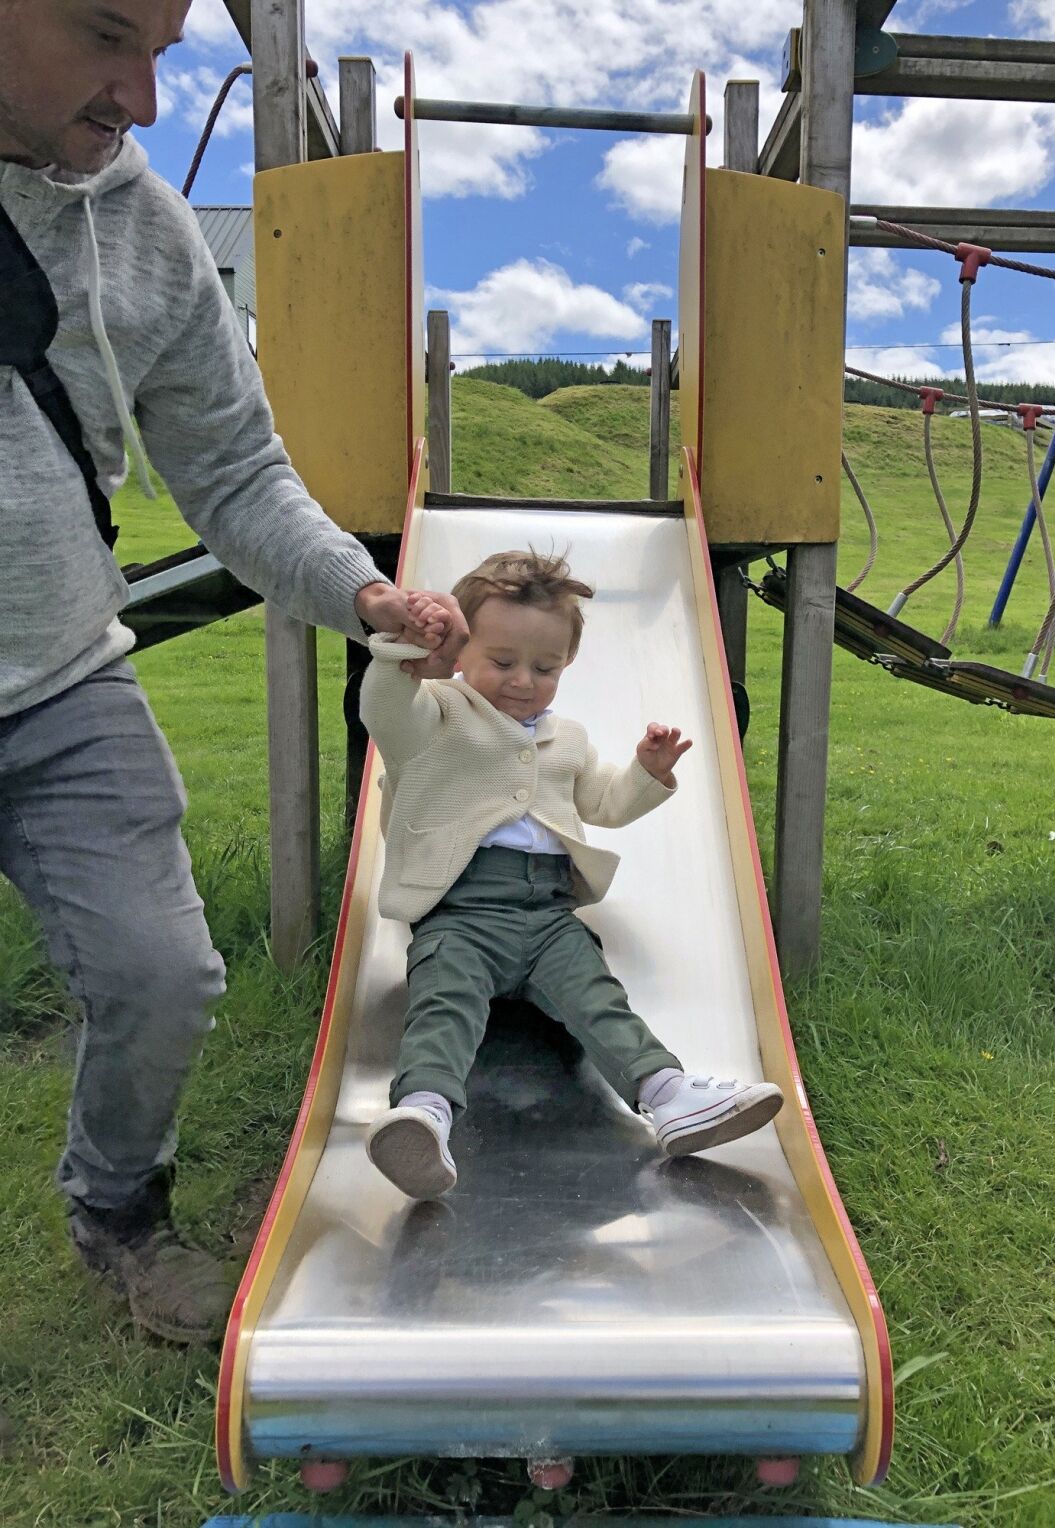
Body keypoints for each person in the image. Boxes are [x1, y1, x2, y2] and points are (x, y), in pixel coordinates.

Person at [0, 0, 467, 1347]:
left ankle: (119, 1211)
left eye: (160, 47)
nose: (143, 97)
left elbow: (240, 473)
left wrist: (364, 589)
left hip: (63, 683)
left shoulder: (138, 227)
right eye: (104, 37)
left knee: (161, 972)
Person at [358, 550, 784, 1200]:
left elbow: (604, 803)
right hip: (459, 913)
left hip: (549, 916)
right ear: (463, 649)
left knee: (598, 998)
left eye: (546, 667)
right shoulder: (436, 713)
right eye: (502, 662)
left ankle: (667, 1095)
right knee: (443, 1005)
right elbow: (385, 712)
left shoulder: (569, 741)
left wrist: (649, 770)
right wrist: (400, 655)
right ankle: (423, 1115)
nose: (524, 680)